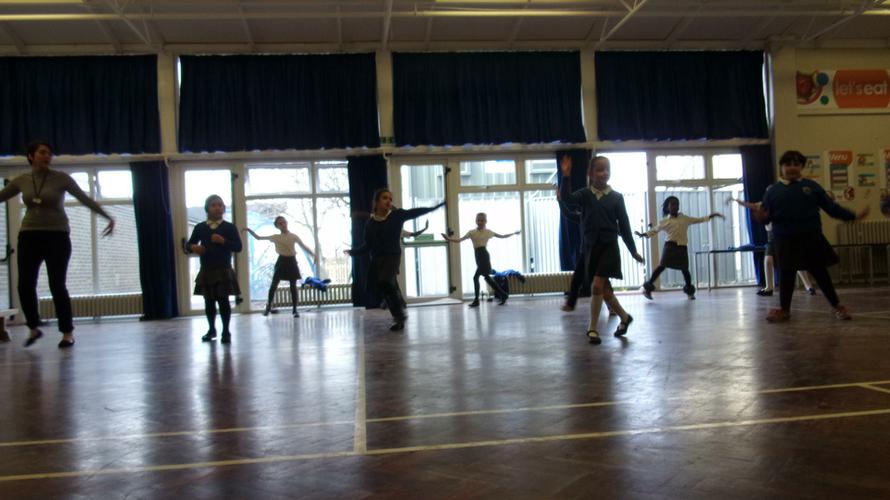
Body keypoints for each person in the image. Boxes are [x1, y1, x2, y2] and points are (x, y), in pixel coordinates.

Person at [0, 140, 115, 348]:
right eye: (42, 152)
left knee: (57, 284)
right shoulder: (22, 180)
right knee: (24, 284)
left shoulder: (61, 179)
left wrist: (108, 217)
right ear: (31, 156)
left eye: (49, 153)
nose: (47, 156)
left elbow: (84, 199)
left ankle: (67, 332)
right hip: (29, 235)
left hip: (57, 236)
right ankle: (34, 327)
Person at [746, 150, 868, 322]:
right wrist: (759, 215)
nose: (792, 168)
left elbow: (831, 208)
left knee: (821, 274)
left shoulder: (812, 187)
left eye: (796, 164)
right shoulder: (772, 191)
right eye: (788, 164)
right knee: (787, 275)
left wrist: (852, 216)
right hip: (785, 240)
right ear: (781, 167)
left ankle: (836, 306)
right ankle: (784, 310)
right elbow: (766, 216)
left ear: (802, 167)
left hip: (811, 238)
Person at [559, 155, 644, 344]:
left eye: (607, 169)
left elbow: (624, 225)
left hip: (609, 248)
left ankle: (592, 329)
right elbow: (567, 199)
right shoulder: (584, 195)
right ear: (590, 173)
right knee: (605, 292)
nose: (604, 173)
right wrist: (566, 176)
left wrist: (632, 250)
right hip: (590, 250)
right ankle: (624, 317)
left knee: (596, 286)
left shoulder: (616, 198)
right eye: (599, 169)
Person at [345, 189, 444, 331]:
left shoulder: (397, 216)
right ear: (376, 202)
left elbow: (414, 212)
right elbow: (367, 246)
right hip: (377, 259)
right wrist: (353, 252)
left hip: (392, 256)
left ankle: (399, 314)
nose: (388, 201)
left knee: (385, 281)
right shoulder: (370, 224)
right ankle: (398, 318)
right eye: (385, 198)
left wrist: (433, 207)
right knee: (383, 288)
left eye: (390, 199)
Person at [637, 196, 723, 300]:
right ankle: (647, 289)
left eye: (676, 204)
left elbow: (698, 220)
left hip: (682, 247)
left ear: (679, 206)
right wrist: (644, 234)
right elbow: (655, 230)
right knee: (661, 267)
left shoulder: (685, 218)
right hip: (669, 247)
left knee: (685, 270)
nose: (675, 206)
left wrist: (711, 216)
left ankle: (690, 292)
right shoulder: (664, 221)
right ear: (668, 207)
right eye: (672, 204)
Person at [187, 195, 242, 343]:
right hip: (207, 270)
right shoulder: (200, 227)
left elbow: (238, 247)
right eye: (214, 205)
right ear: (207, 208)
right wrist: (193, 247)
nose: (218, 208)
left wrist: (223, 241)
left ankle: (226, 331)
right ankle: (211, 329)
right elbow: (188, 244)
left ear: (224, 208)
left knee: (223, 301)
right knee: (209, 301)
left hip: (223, 269)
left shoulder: (229, 227)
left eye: (220, 205)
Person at [441, 213, 520, 307]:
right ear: (476, 221)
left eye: (482, 220)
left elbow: (502, 236)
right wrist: (448, 239)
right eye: (478, 220)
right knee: (487, 277)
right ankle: (503, 295)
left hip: (484, 256)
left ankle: (476, 300)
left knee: (476, 277)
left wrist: (514, 233)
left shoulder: (488, 232)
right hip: (477, 256)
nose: (480, 222)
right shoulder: (471, 232)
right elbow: (459, 240)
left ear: (485, 221)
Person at [244, 216, 316, 317]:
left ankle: (295, 310)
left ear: (286, 223)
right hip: (281, 261)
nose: (283, 224)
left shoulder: (293, 236)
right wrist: (248, 230)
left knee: (293, 286)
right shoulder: (275, 237)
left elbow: (303, 246)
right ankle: (268, 307)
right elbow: (259, 238)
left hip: (292, 261)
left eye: (284, 222)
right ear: (277, 226)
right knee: (273, 285)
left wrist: (313, 255)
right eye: (280, 223)